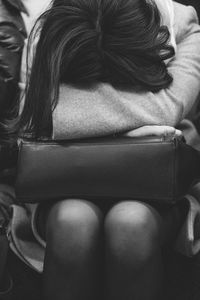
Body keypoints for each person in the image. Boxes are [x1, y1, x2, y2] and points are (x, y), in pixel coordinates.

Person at [6, 0, 200, 300]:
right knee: (73, 219)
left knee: (130, 221)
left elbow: (168, 109)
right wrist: (134, 131)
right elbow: (35, 116)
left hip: (157, 190)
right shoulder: (54, 23)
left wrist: (81, 118)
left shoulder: (182, 22)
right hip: (64, 187)